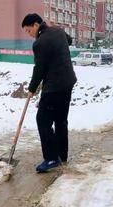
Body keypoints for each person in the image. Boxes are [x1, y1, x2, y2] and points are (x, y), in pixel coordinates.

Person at [22, 13, 77, 173]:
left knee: (43, 120)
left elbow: (39, 70)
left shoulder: (40, 43)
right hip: (68, 82)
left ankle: (52, 158)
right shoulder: (58, 31)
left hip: (54, 87)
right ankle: (62, 155)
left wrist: (32, 89)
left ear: (35, 25)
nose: (29, 34)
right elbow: (70, 41)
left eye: (28, 30)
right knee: (60, 120)